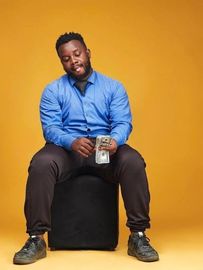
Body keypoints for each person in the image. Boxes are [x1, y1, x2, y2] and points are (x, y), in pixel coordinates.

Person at [13, 32, 159, 264]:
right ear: (61, 61)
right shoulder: (53, 90)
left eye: (77, 54)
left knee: (133, 161)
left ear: (88, 53)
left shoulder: (113, 87)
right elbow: (50, 127)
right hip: (68, 150)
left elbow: (123, 122)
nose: (73, 61)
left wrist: (115, 140)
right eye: (66, 58)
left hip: (104, 148)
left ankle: (138, 236)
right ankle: (36, 238)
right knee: (41, 163)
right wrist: (70, 141)